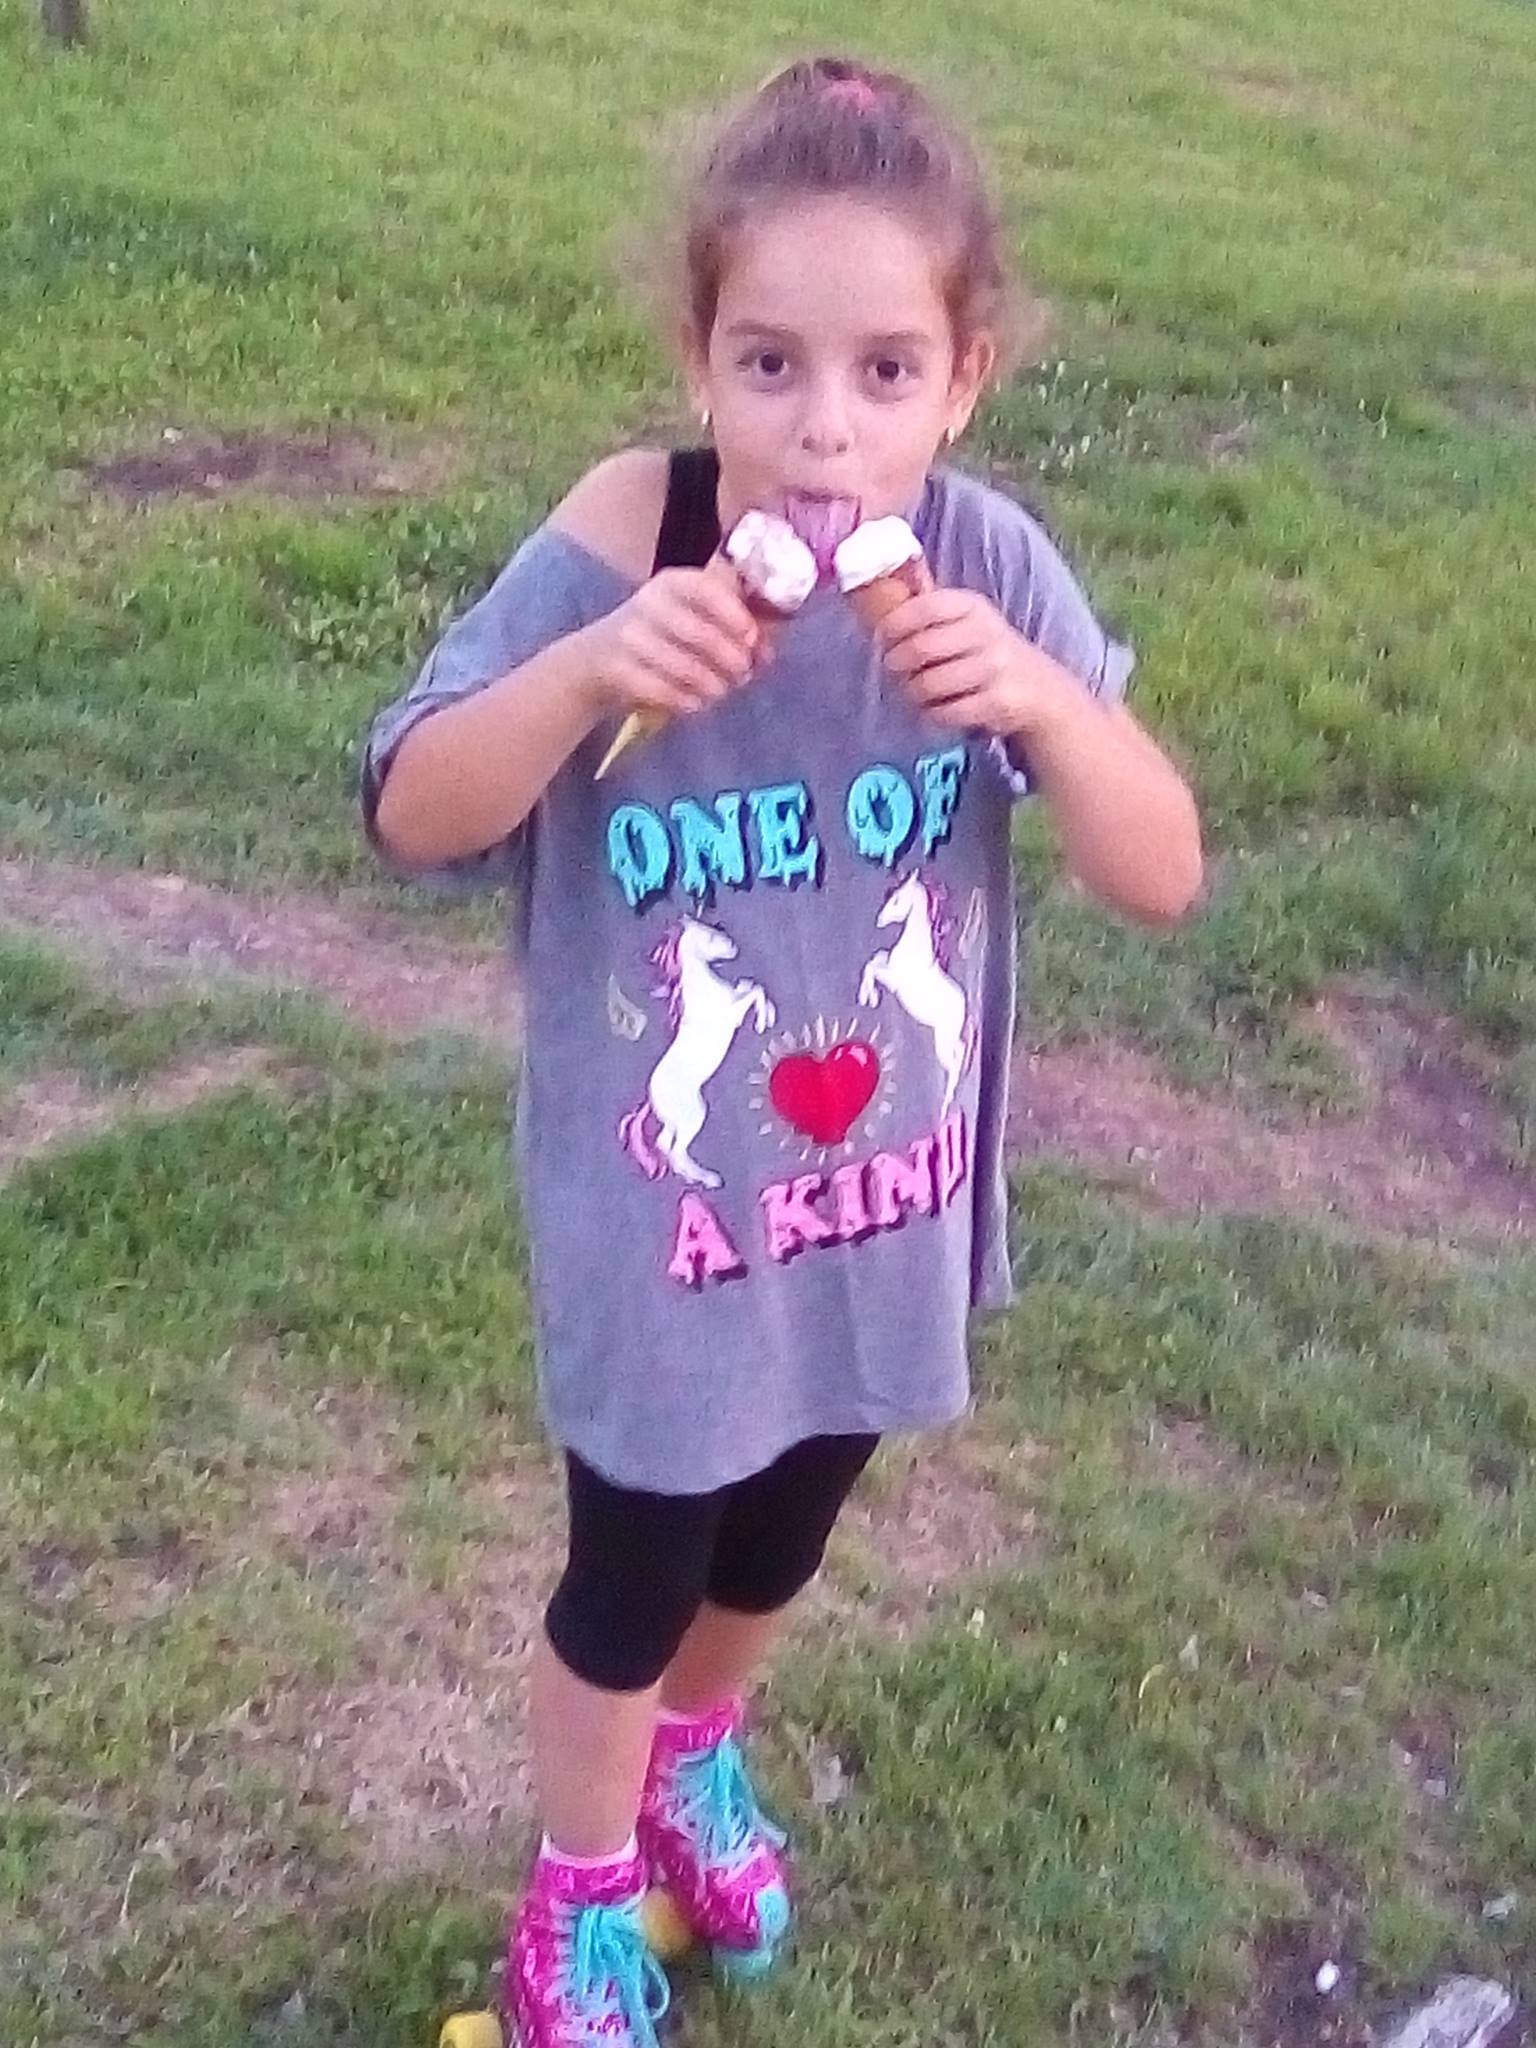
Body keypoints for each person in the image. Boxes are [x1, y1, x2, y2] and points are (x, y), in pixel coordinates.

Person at [362, 52, 1202, 2048]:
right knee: (633, 1576)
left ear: (963, 379)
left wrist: (1049, 706)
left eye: (886, 372)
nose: (827, 429)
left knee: (786, 1531)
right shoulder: (630, 529)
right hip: (669, 1232)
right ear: (699, 359)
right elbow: (416, 809)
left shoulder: (984, 564)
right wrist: (591, 665)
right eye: (771, 366)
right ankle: (576, 1889)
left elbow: (1162, 871)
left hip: (874, 1207)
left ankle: (698, 1756)